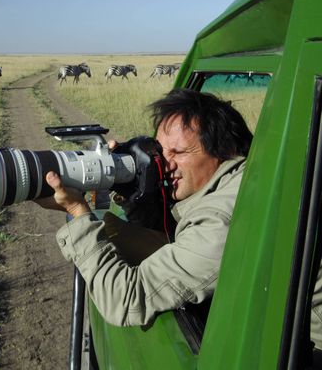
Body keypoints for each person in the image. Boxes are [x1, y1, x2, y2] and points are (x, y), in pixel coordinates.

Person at [36, 88, 252, 326]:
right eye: (159, 151)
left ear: (225, 150)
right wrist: (136, 191)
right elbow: (169, 236)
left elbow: (125, 300)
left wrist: (77, 210)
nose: (164, 164)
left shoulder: (220, 220)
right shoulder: (232, 182)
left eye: (178, 152)